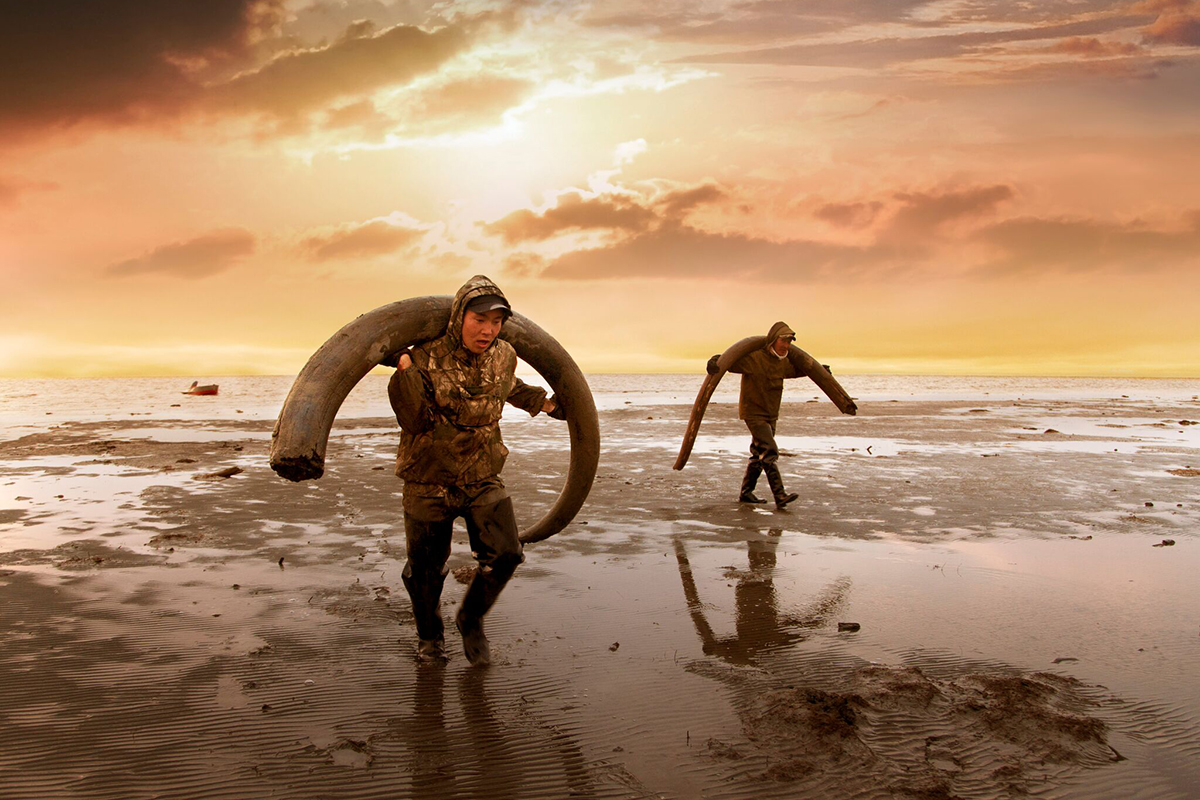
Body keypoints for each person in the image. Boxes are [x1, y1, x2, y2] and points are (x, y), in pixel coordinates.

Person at [388, 275, 563, 665]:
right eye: (479, 319)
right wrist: (405, 370)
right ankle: (430, 637)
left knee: (506, 555)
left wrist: (547, 405)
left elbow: (508, 385)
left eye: (496, 322)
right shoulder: (423, 356)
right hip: (427, 478)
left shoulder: (504, 354)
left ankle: (470, 618)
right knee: (425, 571)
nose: (487, 330)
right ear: (458, 317)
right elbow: (413, 419)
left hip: (482, 473)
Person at [706, 321, 855, 510]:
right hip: (753, 413)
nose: (786, 346)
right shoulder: (754, 358)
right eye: (783, 341)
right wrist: (713, 361)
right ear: (773, 340)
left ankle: (746, 493)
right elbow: (728, 361)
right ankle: (780, 495)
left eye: (789, 343)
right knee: (770, 451)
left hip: (771, 413)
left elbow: (797, 371)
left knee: (757, 453)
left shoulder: (783, 363)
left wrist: (819, 370)